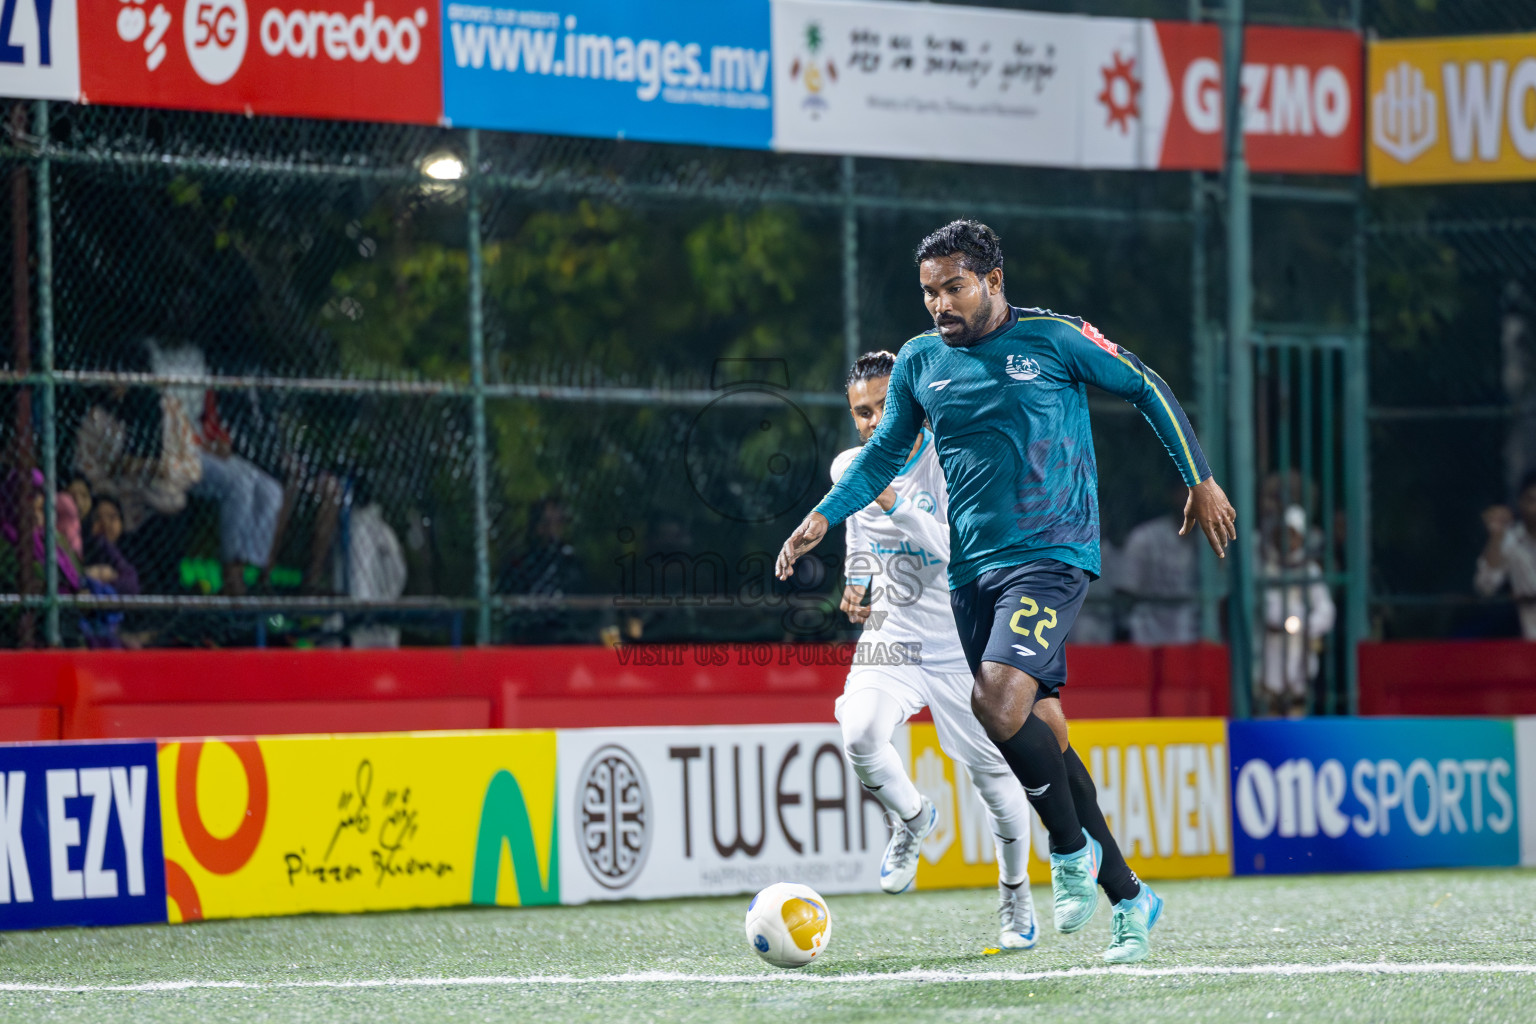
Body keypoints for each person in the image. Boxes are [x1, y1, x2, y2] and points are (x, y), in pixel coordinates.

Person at [777, 220, 1236, 964]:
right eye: (929, 292)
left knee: (995, 700)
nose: (939, 305)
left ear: (993, 280)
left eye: (953, 287)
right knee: (1042, 732)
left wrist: (1199, 476)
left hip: (1053, 553)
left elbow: (1145, 385)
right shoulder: (922, 362)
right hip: (972, 572)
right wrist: (821, 520)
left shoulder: (1055, 339)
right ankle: (1130, 896)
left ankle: (1064, 851)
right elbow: (883, 454)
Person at [832, 351, 1038, 950]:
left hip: (958, 642)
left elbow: (957, 551)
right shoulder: (854, 465)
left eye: (880, 408)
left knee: (996, 783)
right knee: (859, 733)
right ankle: (914, 819)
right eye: (859, 413)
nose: (870, 423)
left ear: (909, 405)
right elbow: (858, 525)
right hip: (892, 634)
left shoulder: (955, 463)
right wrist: (857, 577)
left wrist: (896, 502)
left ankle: (1015, 892)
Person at [1261, 504, 1335, 716]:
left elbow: (1326, 613)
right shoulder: (1268, 570)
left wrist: (1301, 623)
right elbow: (1271, 612)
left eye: (1292, 536)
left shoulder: (1310, 570)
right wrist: (1296, 617)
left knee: (1298, 715)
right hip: (1272, 660)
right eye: (1282, 535)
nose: (1286, 541)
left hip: (1302, 659)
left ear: (1301, 538)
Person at [1120, 483, 1201, 645]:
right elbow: (1125, 594)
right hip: (1148, 643)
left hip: (1197, 645)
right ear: (1173, 494)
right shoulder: (1144, 538)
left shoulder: (1213, 544)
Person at [1476, 470, 1536, 640]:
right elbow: (1485, 586)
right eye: (1532, 500)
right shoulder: (1510, 540)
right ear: (1520, 503)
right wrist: (1496, 536)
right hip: (1531, 643)